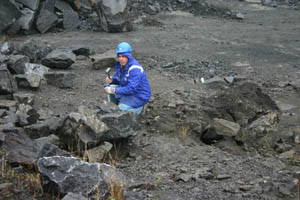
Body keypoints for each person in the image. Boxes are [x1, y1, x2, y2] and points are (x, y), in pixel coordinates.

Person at [104, 42, 151, 115]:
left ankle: (139, 109)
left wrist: (114, 90)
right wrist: (112, 80)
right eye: (119, 56)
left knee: (121, 109)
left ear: (129, 56)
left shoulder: (135, 69)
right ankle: (115, 107)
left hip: (139, 95)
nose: (121, 59)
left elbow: (131, 88)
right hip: (129, 91)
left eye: (123, 56)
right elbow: (120, 79)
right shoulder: (121, 65)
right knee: (110, 87)